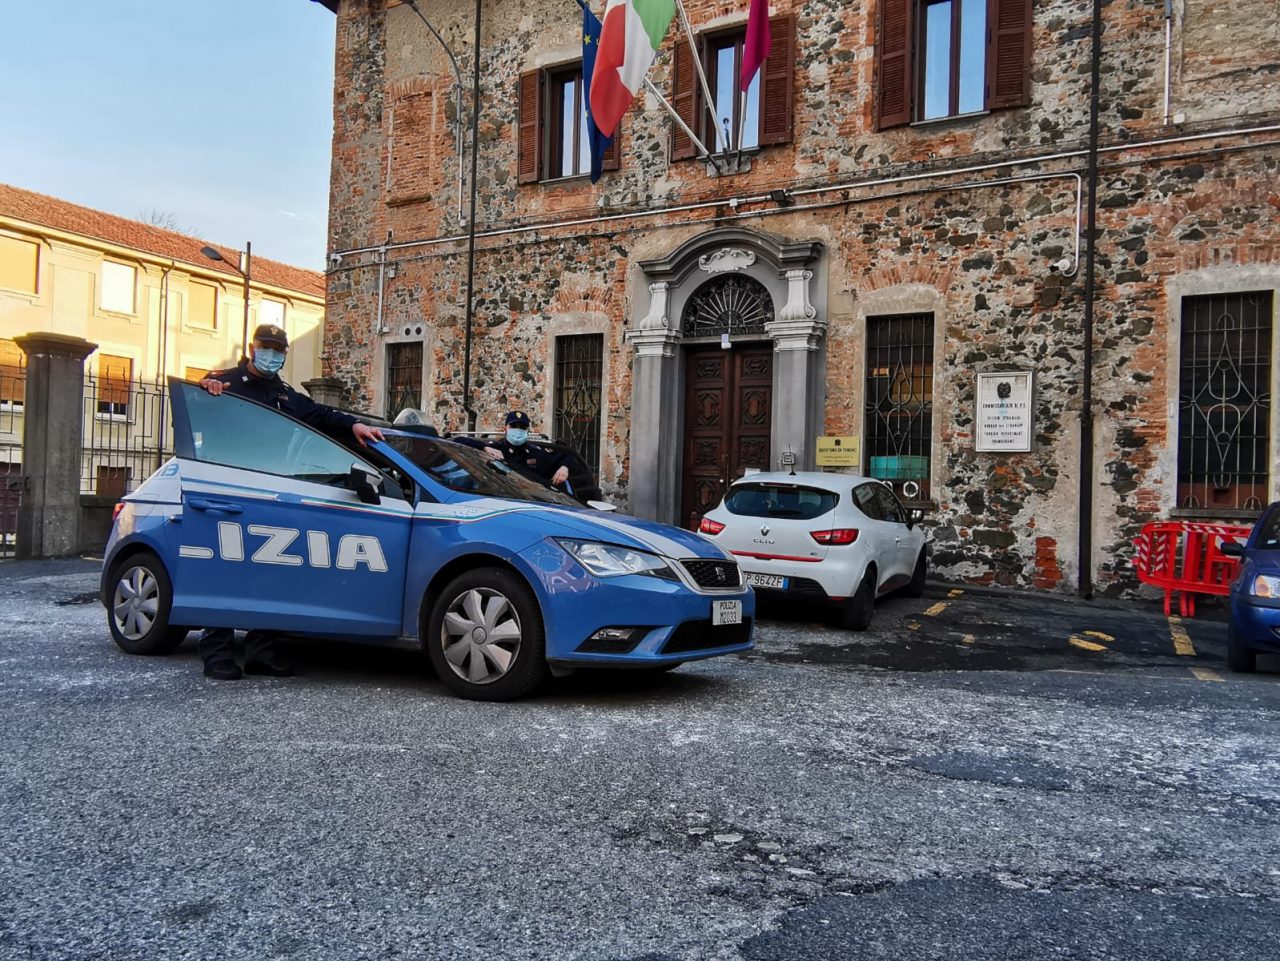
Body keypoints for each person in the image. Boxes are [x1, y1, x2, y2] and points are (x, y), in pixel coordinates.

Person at [194, 323, 385, 681]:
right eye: (265, 348)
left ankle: (261, 652)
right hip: (230, 488)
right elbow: (200, 409)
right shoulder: (224, 383)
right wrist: (207, 390)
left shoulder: (284, 394)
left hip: (273, 491)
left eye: (278, 351)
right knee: (224, 570)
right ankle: (217, 653)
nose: (271, 355)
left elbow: (322, 415)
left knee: (267, 573)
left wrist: (355, 425)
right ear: (253, 348)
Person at [483, 410, 570, 488]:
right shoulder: (496, 448)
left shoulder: (536, 452)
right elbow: (469, 443)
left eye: (522, 427)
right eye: (513, 426)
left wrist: (564, 467)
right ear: (505, 428)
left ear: (528, 430)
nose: (518, 430)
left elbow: (566, 456)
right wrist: (483, 447)